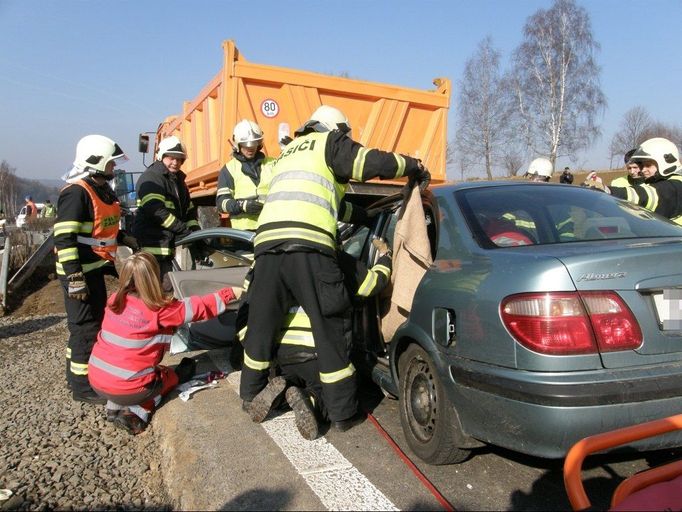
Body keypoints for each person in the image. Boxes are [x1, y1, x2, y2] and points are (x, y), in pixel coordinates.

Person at [239, 104, 430, 432]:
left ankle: (251, 393)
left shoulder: (288, 155)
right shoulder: (329, 142)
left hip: (267, 250)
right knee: (331, 327)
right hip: (309, 249)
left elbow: (332, 203)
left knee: (261, 325)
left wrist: (366, 216)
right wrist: (413, 165)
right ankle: (341, 412)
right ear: (336, 129)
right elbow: (371, 162)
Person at [245, 237, 393, 440]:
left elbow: (249, 291)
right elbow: (371, 284)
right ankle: (312, 400)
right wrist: (385, 258)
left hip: (283, 353)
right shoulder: (328, 259)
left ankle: (283, 390)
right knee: (325, 394)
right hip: (315, 353)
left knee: (291, 378)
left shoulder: (269, 259)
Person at [88, 252, 239, 434]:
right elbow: (200, 307)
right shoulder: (159, 310)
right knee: (170, 378)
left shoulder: (114, 301)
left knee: (131, 374)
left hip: (97, 379)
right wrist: (230, 293)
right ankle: (137, 412)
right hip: (129, 388)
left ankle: (114, 407)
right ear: (154, 276)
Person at [54, 134, 138, 404]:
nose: (114, 168)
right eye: (111, 163)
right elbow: (65, 237)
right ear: (97, 162)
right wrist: (74, 275)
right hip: (78, 271)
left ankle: (76, 376)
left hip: (94, 266)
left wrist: (124, 239)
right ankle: (82, 387)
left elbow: (99, 229)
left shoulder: (101, 188)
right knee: (84, 328)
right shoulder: (76, 192)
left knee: (95, 322)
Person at [133, 136, 200, 287]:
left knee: (165, 293)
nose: (175, 162)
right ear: (161, 156)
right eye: (171, 158)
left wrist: (196, 233)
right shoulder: (152, 178)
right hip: (151, 250)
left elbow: (188, 210)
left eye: (179, 159)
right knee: (153, 293)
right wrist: (184, 230)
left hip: (165, 249)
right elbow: (156, 211)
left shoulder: (178, 181)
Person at [585, 138, 682, 225]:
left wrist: (607, 190)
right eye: (642, 166)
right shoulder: (659, 182)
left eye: (648, 165)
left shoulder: (677, 184)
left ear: (666, 162)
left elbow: (651, 195)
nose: (643, 170)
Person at [216, 120, 275, 231]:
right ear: (237, 144)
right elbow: (221, 203)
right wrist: (242, 206)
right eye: (246, 144)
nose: (251, 148)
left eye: (254, 143)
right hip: (243, 234)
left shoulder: (272, 163)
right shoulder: (229, 169)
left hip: (270, 227)